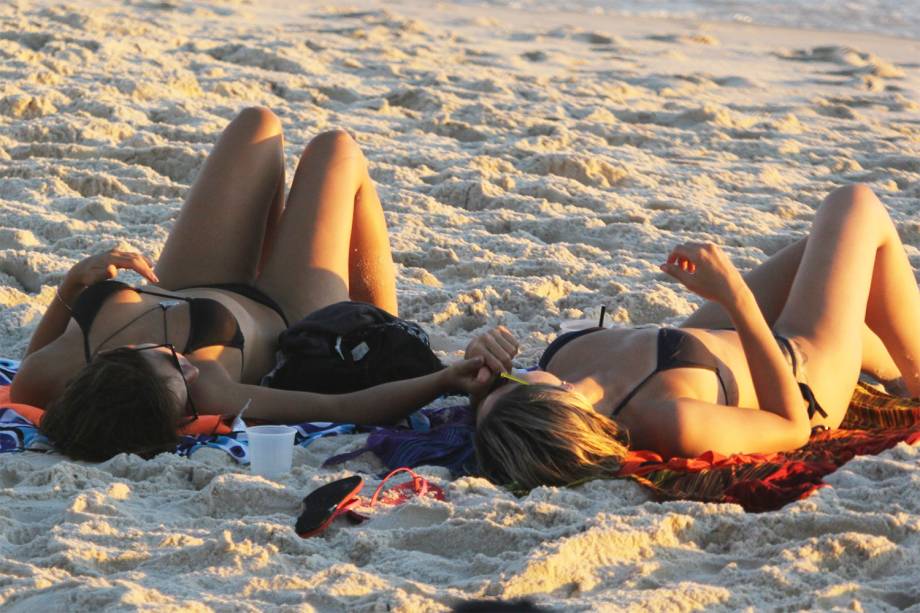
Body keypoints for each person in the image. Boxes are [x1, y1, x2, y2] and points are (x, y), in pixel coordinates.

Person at [10, 107, 486, 461]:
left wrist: (74, 285)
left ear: (122, 355)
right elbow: (343, 404)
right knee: (335, 150)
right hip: (284, 307)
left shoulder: (43, 376)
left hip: (185, 279)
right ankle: (388, 325)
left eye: (174, 367)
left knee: (256, 124)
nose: (191, 371)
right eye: (185, 394)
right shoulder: (210, 386)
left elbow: (37, 353)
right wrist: (440, 378)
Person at [469, 184, 920, 488]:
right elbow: (791, 428)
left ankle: (890, 369)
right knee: (853, 206)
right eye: (509, 386)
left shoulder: (558, 368)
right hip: (800, 373)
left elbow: (486, 401)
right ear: (551, 407)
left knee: (832, 263)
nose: (507, 375)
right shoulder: (664, 421)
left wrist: (475, 368)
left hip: (706, 344)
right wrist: (735, 295)